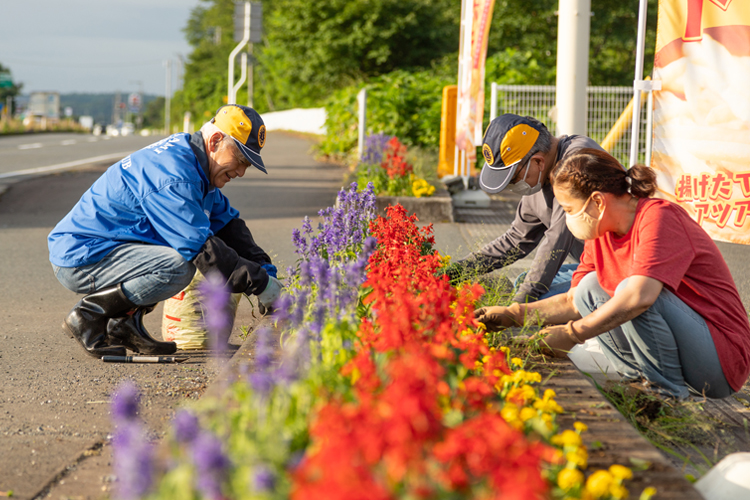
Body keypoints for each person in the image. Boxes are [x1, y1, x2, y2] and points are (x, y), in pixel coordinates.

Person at [475, 148, 750, 399]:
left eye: (569, 209)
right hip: (684, 344)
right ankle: (639, 384)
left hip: (719, 359)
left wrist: (572, 334)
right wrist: (513, 315)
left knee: (634, 289)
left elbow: (639, 297)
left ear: (597, 201)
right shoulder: (600, 232)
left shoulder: (658, 218)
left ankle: (665, 394)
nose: (568, 217)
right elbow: (573, 300)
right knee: (589, 288)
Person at [48, 104, 283, 358]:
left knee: (173, 251)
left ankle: (123, 325)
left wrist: (267, 272)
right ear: (215, 140)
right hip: (82, 256)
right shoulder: (175, 177)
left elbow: (230, 227)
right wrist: (260, 285)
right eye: (240, 160)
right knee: (179, 265)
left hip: (107, 248)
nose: (240, 172)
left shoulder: (196, 165)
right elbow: (204, 251)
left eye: (247, 165)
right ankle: (88, 315)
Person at [448, 113, 606, 303]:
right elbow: (516, 239)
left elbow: (557, 239)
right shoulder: (541, 176)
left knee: (539, 296)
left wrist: (517, 308)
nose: (512, 187)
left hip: (625, 271)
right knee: (524, 281)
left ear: (538, 161)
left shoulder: (577, 165)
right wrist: (454, 272)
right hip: (592, 265)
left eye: (513, 178)